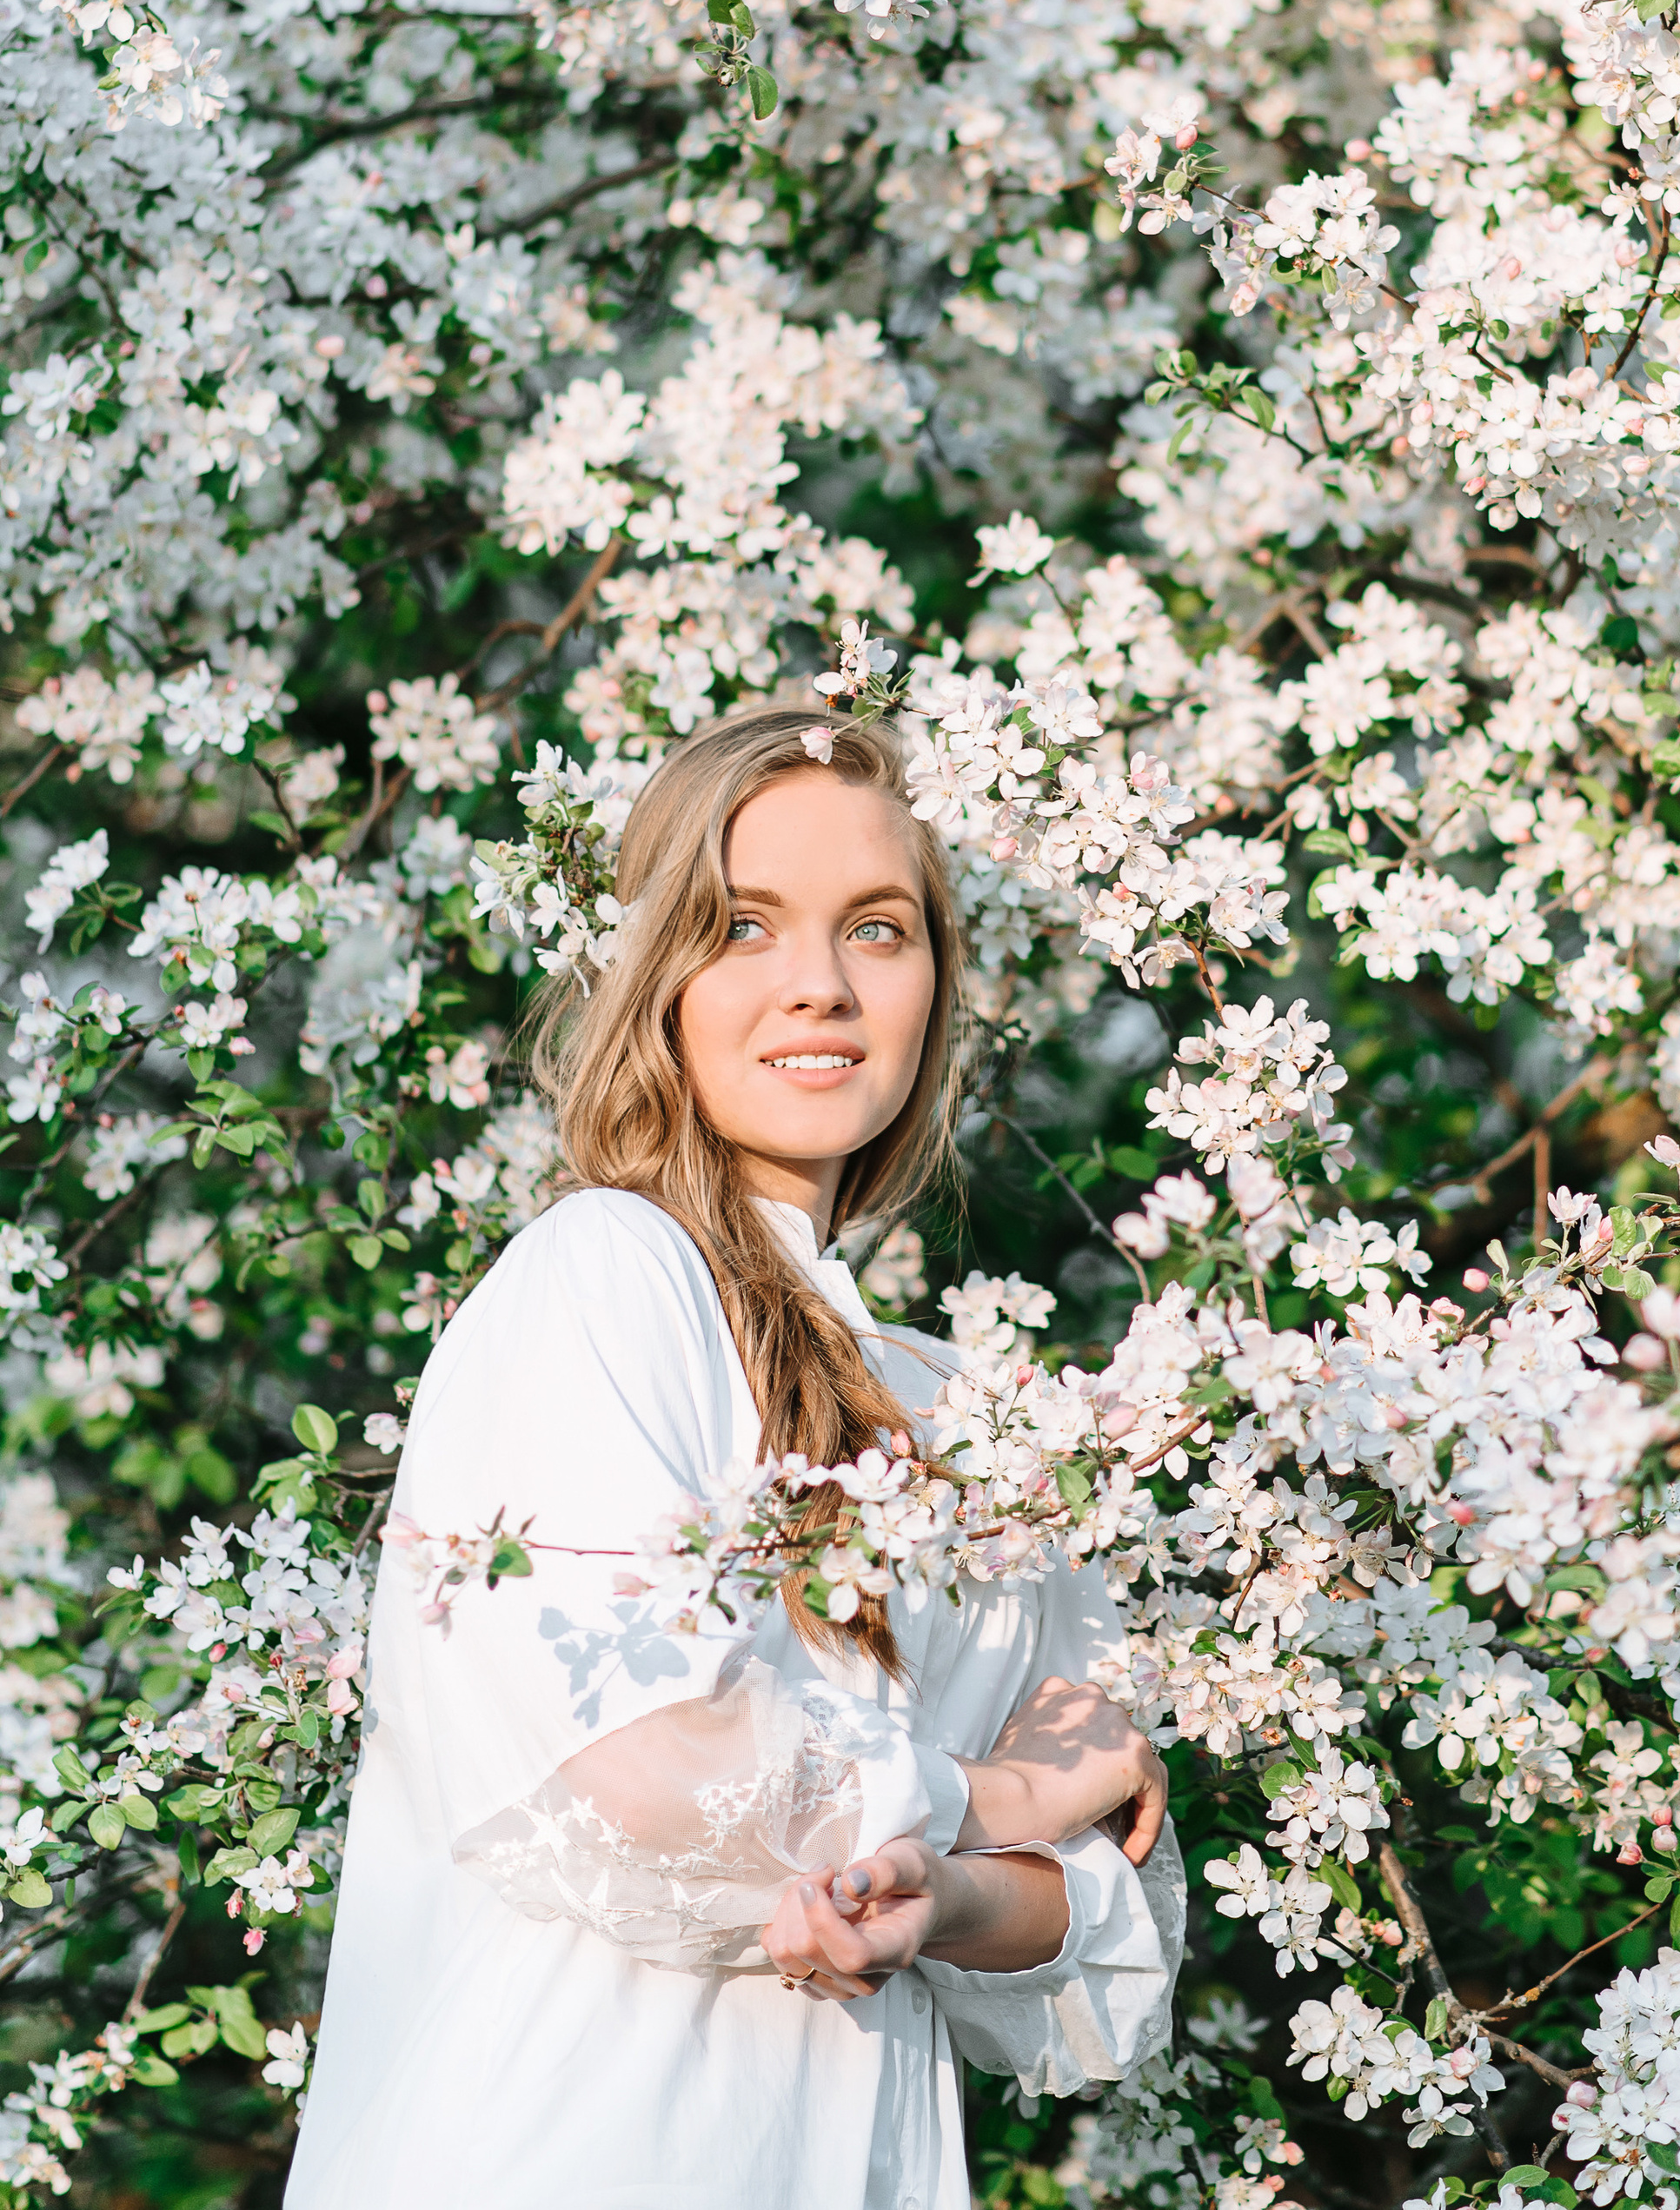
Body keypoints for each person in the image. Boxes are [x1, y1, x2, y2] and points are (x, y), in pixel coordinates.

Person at [288, 708, 1181, 2209]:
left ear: (936, 982)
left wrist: (936, 1892)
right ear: (661, 975)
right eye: (745, 924)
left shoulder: (962, 1407)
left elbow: (1108, 1933)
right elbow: (636, 1770)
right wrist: (990, 1798)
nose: (819, 982)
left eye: (878, 929)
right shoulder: (606, 1271)